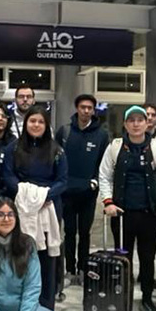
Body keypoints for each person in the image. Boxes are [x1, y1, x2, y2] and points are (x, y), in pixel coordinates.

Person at [98, 106, 156, 311]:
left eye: (141, 119)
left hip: (150, 215)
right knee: (124, 259)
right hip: (122, 215)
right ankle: (124, 299)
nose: (137, 123)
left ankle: (148, 299)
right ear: (125, 124)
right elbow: (104, 176)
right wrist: (108, 202)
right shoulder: (115, 147)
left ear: (147, 123)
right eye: (132, 120)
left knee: (148, 259)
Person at [1, 107, 67, 310]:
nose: (36, 125)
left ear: (46, 125)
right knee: (20, 256)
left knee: (46, 260)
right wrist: (27, 194)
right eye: (32, 121)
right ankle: (20, 307)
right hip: (21, 208)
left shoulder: (57, 150)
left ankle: (46, 306)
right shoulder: (13, 148)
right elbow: (8, 176)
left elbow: (63, 180)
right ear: (25, 123)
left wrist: (44, 196)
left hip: (49, 207)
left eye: (40, 121)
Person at [54, 94, 111, 285]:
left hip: (88, 192)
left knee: (84, 233)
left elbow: (104, 162)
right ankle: (70, 269)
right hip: (67, 192)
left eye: (90, 108)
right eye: (83, 107)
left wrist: (94, 181)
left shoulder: (102, 134)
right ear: (77, 108)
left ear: (94, 111)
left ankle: (83, 269)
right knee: (69, 232)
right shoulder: (65, 131)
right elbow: (56, 158)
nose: (86, 111)